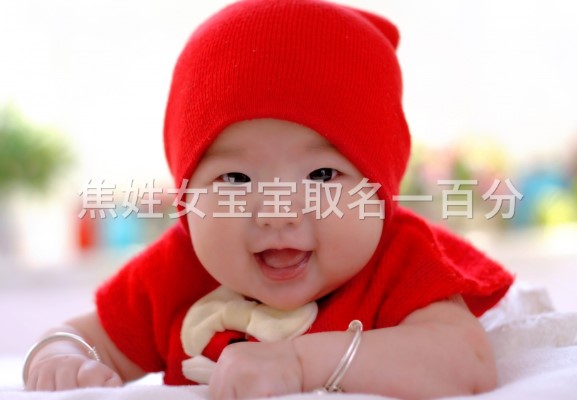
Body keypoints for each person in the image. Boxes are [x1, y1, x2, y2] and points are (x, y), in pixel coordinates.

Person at [23, 0, 514, 398]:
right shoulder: (177, 271)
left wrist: (299, 362)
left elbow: (466, 362)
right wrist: (61, 358)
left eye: (322, 175)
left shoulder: (398, 259)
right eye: (236, 178)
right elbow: (85, 339)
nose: (278, 213)